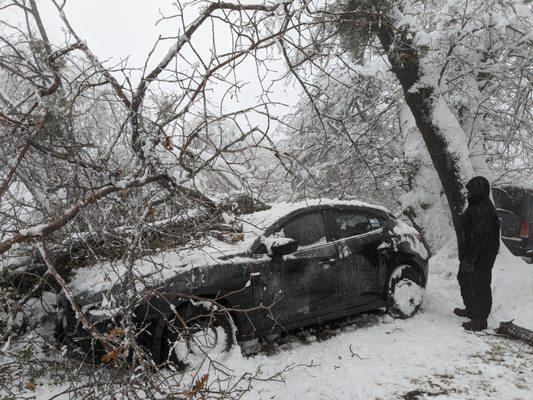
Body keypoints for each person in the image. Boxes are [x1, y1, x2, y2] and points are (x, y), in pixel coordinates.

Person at [455, 176, 500, 331]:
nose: (467, 193)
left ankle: (480, 320)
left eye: (470, 190)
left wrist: (470, 258)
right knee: (465, 279)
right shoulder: (476, 205)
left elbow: (480, 237)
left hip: (481, 257)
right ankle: (471, 309)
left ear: (478, 190)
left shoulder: (484, 209)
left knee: (480, 285)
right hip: (472, 256)